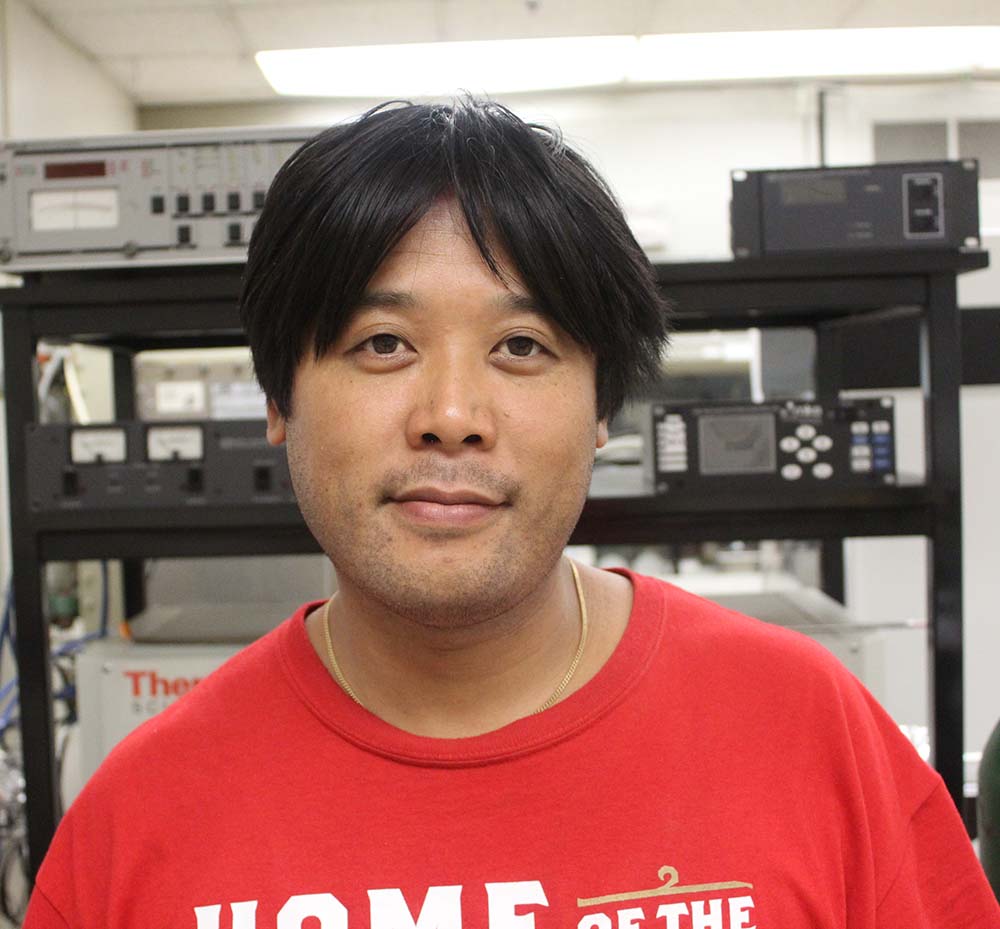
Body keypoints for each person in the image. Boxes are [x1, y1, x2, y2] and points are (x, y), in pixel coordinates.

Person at [23, 99, 999, 929]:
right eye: (382, 343)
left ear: (601, 405)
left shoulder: (812, 735)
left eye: (522, 346)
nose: (452, 415)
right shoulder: (137, 821)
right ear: (279, 397)